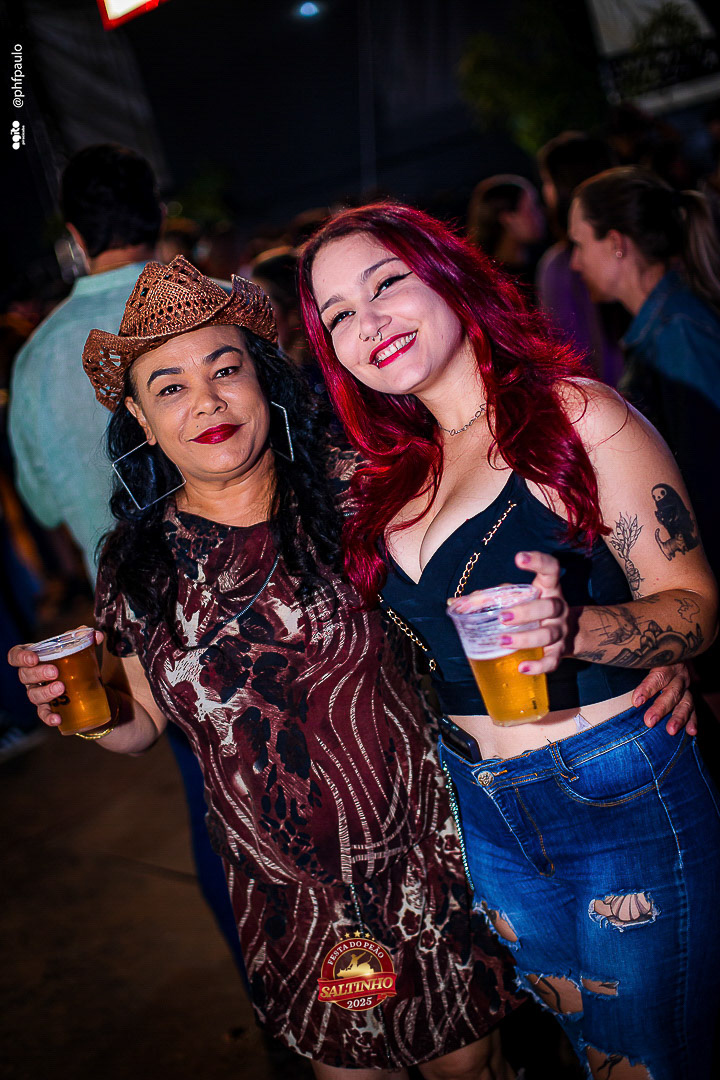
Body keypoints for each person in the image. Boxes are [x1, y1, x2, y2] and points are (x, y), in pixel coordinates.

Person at [9, 256, 524, 1079]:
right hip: (293, 904)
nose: (207, 401)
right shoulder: (137, 565)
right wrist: (85, 711)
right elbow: (140, 723)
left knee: (470, 1068)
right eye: (170, 387)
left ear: (263, 381)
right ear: (141, 419)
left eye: (225, 370)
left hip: (431, 862)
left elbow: (489, 601)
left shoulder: (361, 495)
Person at [298, 201, 720, 1080]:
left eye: (386, 283)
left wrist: (583, 630)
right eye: (337, 314)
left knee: (647, 1063)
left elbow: (693, 605)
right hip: (483, 810)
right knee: (587, 1052)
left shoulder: (577, 416)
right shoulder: (389, 477)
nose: (367, 321)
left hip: (615, 789)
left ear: (449, 275)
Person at [7, 143, 246, 977]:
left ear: (75, 237)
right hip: (252, 594)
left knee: (214, 808)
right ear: (158, 212)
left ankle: (277, 998)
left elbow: (43, 507)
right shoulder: (213, 308)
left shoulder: (37, 360)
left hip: (143, 619)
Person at [569, 166, 720, 718]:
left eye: (579, 244)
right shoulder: (661, 327)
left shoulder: (678, 331)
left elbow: (708, 479)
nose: (575, 262)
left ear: (616, 244)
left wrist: (690, 627)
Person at [535, 133, 624, 385]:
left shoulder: (560, 267)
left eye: (547, 181)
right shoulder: (637, 243)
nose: (544, 193)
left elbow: (571, 353)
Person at [467, 175, 545, 285]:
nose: (541, 214)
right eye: (532, 209)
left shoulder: (541, 263)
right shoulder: (486, 279)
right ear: (508, 219)